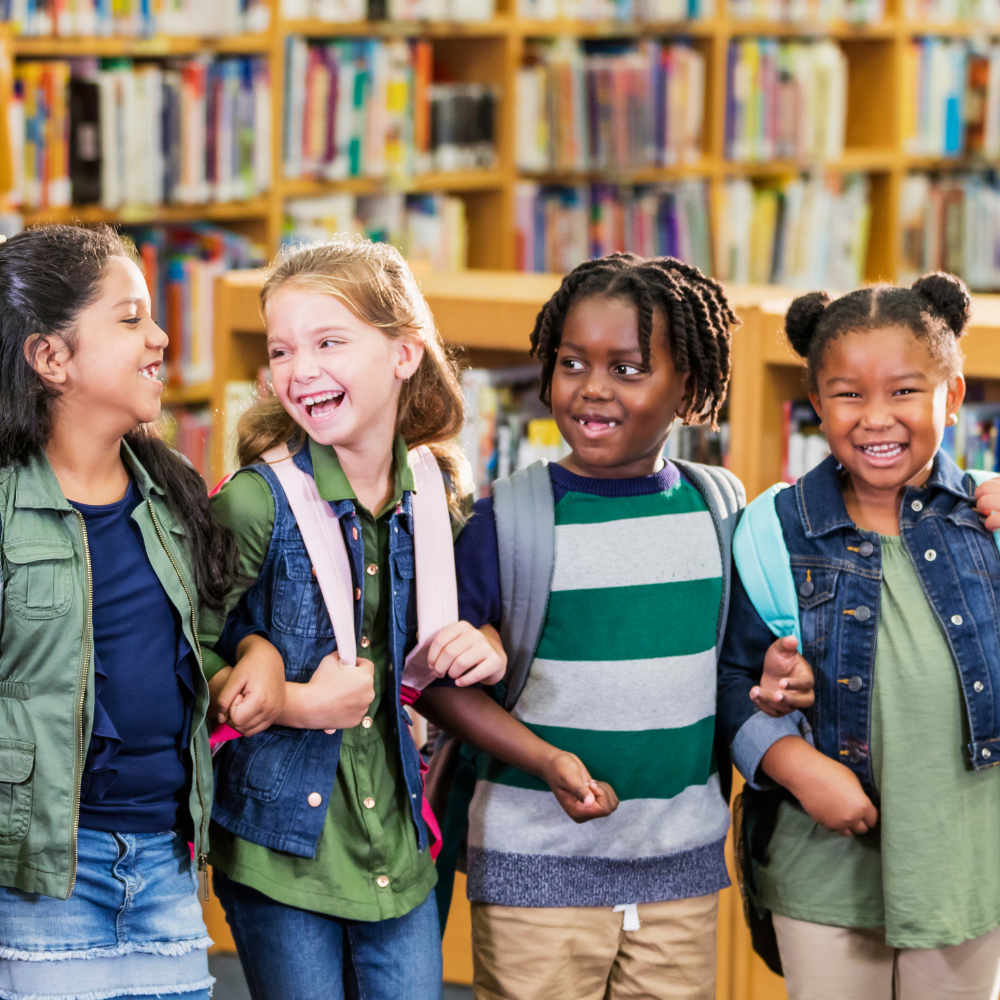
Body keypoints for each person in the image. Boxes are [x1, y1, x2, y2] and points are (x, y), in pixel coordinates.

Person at [418, 252, 811, 1000]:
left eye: (628, 369)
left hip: (679, 873)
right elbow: (434, 686)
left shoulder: (721, 510)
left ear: (688, 386)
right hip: (535, 871)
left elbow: (736, 670)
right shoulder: (512, 518)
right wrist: (544, 761)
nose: (593, 388)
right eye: (572, 363)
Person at [200, 235, 517, 1000]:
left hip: (399, 836)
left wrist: (489, 645)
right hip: (282, 842)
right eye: (282, 351)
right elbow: (183, 648)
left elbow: (470, 616)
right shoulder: (254, 503)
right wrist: (293, 698)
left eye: (329, 342)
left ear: (404, 354)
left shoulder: (435, 490)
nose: (300, 370)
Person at [0, 225, 284, 1000]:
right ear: (50, 358)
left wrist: (256, 653)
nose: (160, 336)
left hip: (162, 858)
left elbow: (206, 631)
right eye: (129, 319)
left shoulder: (174, 490)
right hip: (39, 877)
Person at [718, 273, 1000, 1000]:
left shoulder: (987, 525)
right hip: (824, 862)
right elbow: (731, 683)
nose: (877, 418)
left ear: (954, 396)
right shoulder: (773, 531)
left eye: (905, 391)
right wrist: (799, 768)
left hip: (965, 858)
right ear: (816, 404)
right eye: (848, 394)